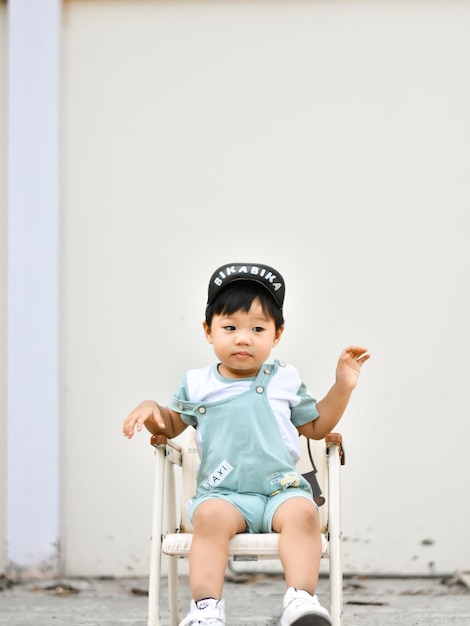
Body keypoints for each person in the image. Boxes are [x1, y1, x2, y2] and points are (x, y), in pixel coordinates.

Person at [123, 262, 370, 626]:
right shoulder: (196, 383)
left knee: (304, 514)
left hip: (280, 490)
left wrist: (343, 386)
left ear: (277, 334)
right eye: (230, 327)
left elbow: (316, 426)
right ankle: (206, 608)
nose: (243, 338)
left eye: (257, 328)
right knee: (208, 518)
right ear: (208, 332)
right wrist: (151, 411)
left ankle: (300, 602)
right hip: (223, 495)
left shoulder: (285, 379)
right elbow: (172, 424)